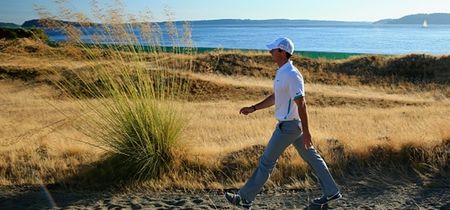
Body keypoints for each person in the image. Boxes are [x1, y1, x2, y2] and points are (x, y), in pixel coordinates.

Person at [225, 37, 342, 209]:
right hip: (294, 127)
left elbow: (301, 103)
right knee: (313, 158)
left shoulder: (292, 75)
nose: (270, 52)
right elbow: (276, 97)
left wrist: (307, 132)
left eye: (273, 50)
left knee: (266, 163)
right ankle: (332, 192)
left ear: (282, 52)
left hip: (288, 127)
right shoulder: (282, 72)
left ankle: (244, 198)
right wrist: (253, 108)